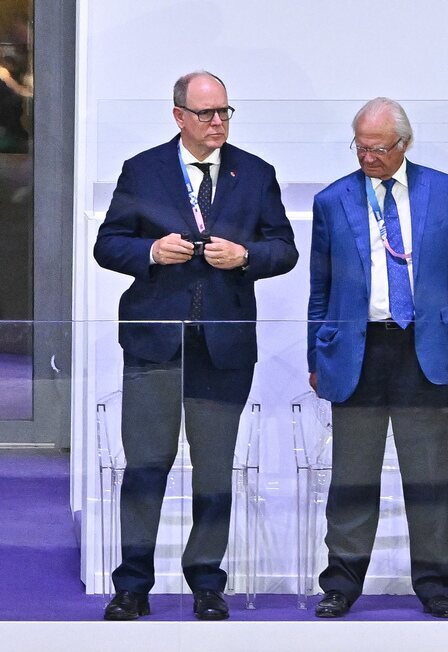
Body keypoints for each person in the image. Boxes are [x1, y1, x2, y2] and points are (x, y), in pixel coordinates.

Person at [93, 71, 298, 620]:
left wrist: (247, 257)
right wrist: (152, 252)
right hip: (154, 343)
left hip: (223, 345)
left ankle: (207, 580)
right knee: (146, 465)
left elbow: (284, 249)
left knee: (214, 469)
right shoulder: (143, 170)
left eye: (225, 112)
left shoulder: (254, 173)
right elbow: (107, 244)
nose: (217, 123)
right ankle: (133, 583)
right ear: (179, 115)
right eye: (206, 114)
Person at [307, 97, 448, 619]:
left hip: (421, 349)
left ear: (404, 144)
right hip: (357, 350)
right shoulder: (331, 200)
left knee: (428, 475)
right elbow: (320, 289)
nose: (369, 158)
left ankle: (436, 586)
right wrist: (317, 354)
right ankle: (340, 583)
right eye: (361, 147)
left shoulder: (442, 190)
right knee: (352, 476)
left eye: (379, 149)